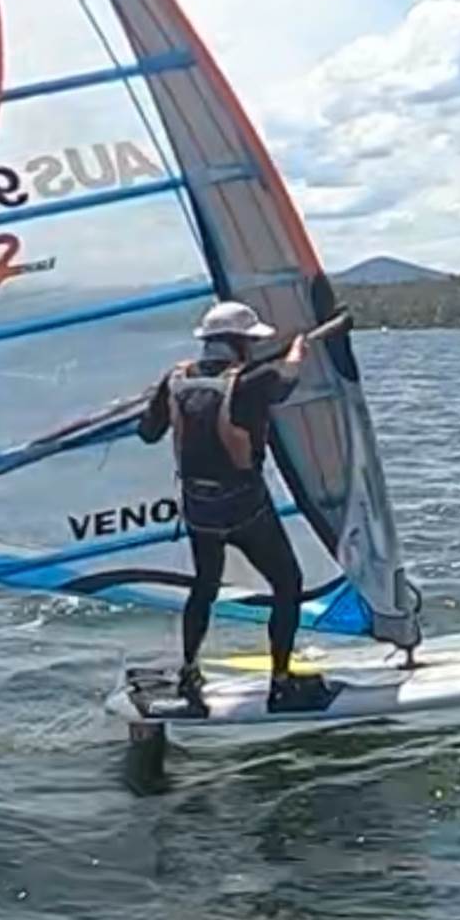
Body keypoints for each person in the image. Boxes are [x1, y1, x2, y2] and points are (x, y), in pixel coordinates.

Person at [139, 299, 349, 714]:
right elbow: (287, 380)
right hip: (244, 508)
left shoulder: (176, 378)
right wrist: (297, 350)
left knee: (204, 587)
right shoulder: (252, 381)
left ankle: (188, 673)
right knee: (288, 584)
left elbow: (148, 432)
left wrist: (156, 398)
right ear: (239, 343)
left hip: (198, 509)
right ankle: (281, 683)